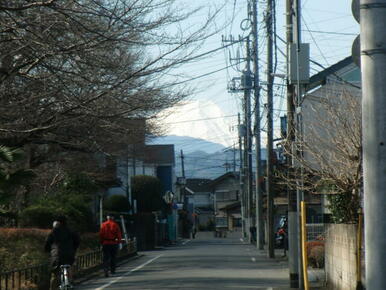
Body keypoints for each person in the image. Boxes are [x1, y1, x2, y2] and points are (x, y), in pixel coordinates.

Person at [44, 215, 80, 290]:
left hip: (57, 256)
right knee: (69, 266)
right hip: (69, 255)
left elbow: (47, 243)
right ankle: (70, 281)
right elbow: (77, 241)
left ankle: (52, 288)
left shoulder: (54, 231)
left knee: (54, 274)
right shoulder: (71, 231)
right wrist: (73, 249)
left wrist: (47, 250)